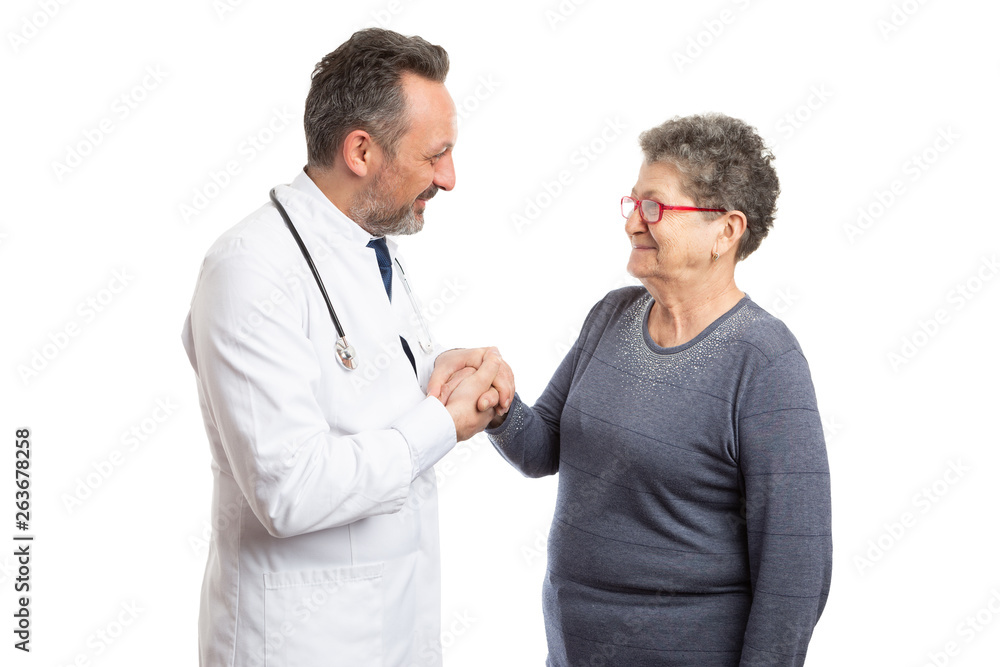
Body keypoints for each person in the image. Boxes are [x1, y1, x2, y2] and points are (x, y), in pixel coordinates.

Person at [181, 29, 512, 667]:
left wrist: (437, 372)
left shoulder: (367, 243)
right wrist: (442, 423)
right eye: (436, 154)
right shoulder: (250, 269)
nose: (449, 178)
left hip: (395, 631)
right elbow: (289, 489)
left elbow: (360, 388)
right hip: (300, 644)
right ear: (361, 150)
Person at [482, 114, 832, 666]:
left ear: (725, 231)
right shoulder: (611, 315)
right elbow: (543, 447)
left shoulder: (765, 360)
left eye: (654, 207)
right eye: (633, 203)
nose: (632, 223)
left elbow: (796, 567)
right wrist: (502, 408)